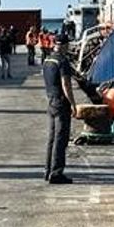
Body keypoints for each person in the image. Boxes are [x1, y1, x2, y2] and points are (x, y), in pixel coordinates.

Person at [42, 33, 76, 184]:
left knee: (52, 138)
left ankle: (47, 170)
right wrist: (73, 104)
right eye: (67, 44)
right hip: (61, 103)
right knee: (61, 139)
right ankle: (56, 173)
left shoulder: (47, 59)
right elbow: (66, 84)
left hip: (51, 101)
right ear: (63, 45)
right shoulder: (62, 61)